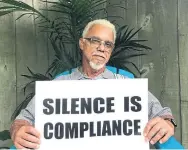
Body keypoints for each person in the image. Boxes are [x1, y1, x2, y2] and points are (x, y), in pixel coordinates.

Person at [10, 19, 176, 149]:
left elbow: (162, 114)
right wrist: (18, 130)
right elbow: (24, 119)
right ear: (82, 44)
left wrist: (167, 122)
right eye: (95, 41)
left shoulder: (126, 84)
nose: (102, 48)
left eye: (108, 44)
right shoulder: (59, 85)